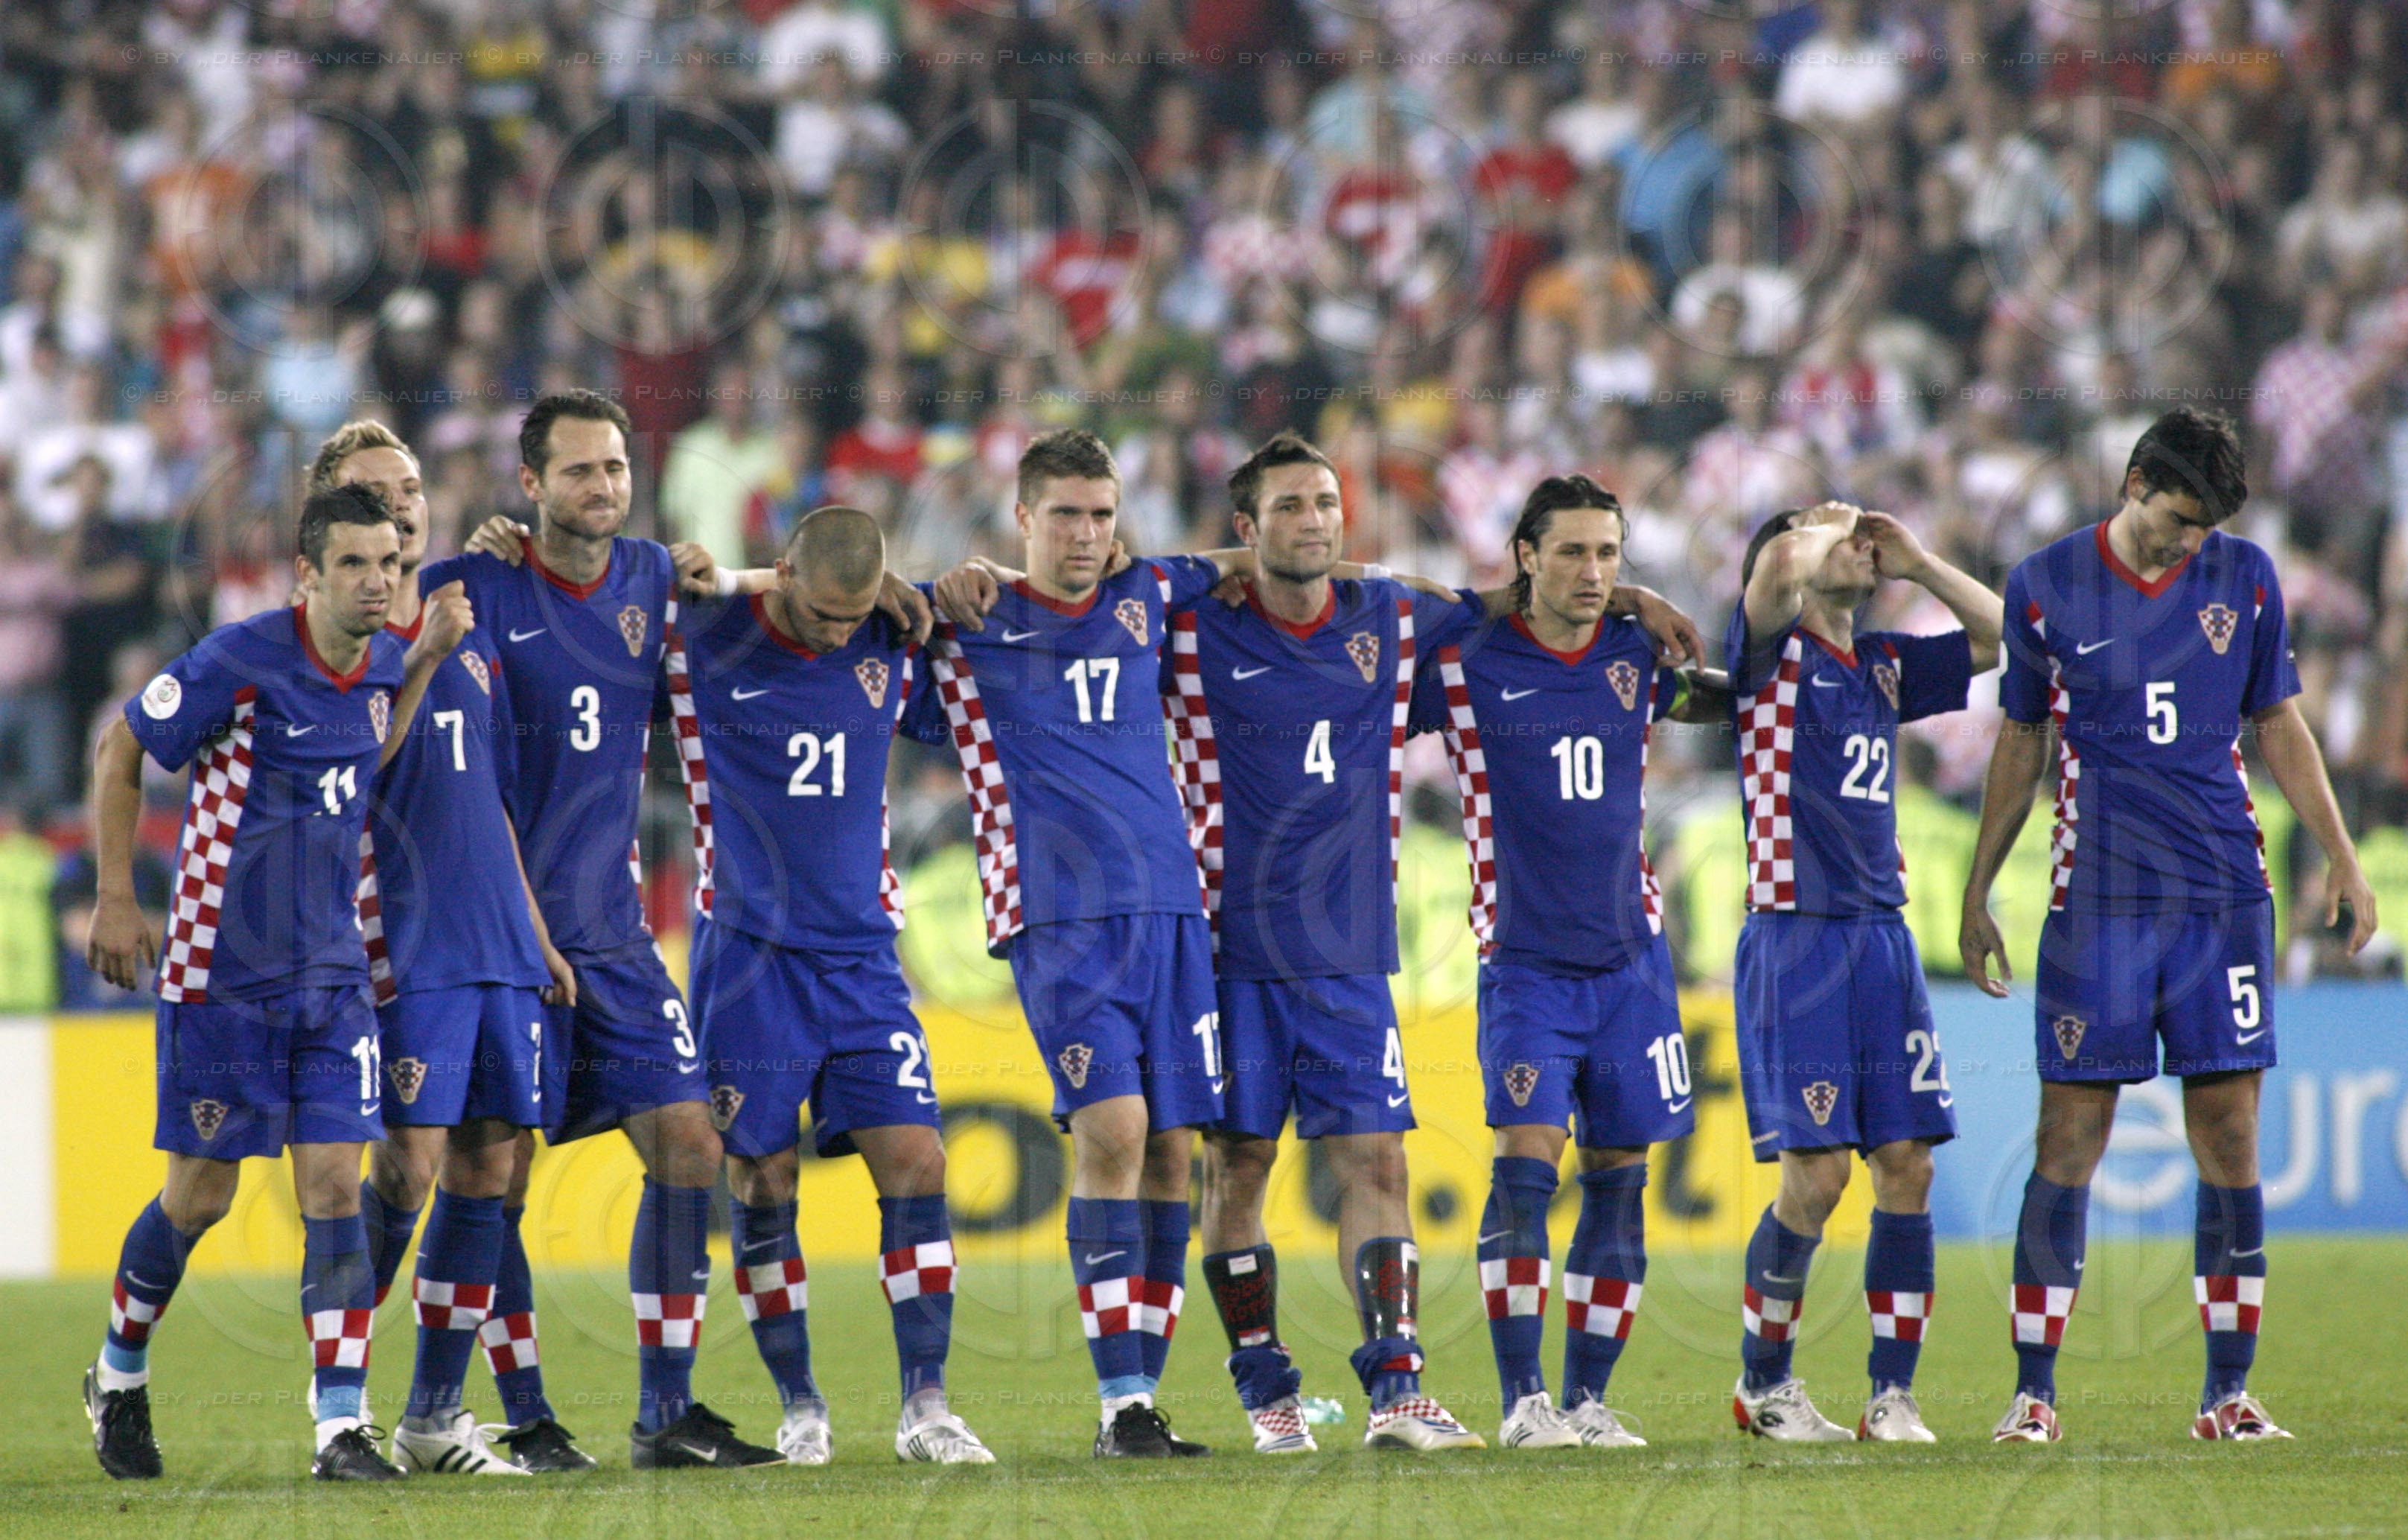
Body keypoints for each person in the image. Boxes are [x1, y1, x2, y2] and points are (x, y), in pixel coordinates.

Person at [1168, 434, 1704, 1454]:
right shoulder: (1190, 627)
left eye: (1325, 501)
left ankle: (1397, 1389)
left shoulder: (1396, 621)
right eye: (1288, 506)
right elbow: (1090, 620)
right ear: (1245, 527)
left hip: (1351, 949)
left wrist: (1626, 597)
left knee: (1377, 1162)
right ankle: (1265, 1390)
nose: (1313, 519)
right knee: (1238, 1165)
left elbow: (1507, 602)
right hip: (1226, 945)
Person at [1960, 407, 2379, 1443]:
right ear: (2134, 479)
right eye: (2177, 519)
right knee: (2070, 1137)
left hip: (2218, 896)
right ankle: (2032, 1394)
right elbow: (2019, 738)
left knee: (2229, 1136)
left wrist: (2339, 851)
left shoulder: (2244, 576)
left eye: (2203, 527)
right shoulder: (2041, 584)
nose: (2189, 543)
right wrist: (1977, 891)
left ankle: (2227, 1394)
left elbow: (2274, 718)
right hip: (2096, 903)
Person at [83, 482, 466, 1480]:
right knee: (199, 1198)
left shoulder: (384, 655)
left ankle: (340, 1427)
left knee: (336, 1185)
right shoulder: (241, 658)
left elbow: (363, 750)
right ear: (307, 573)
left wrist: (421, 663)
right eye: (353, 564)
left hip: (332, 976)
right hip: (222, 973)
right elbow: (123, 743)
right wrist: (118, 895)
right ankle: (117, 1371)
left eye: (389, 563)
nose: (377, 581)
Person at [1407, 476, 1729, 1451]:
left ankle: (1587, 1403)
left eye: (1608, 556)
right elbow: (1377, 642)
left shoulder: (1638, 656)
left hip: (1630, 965)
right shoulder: (1464, 663)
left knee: (1621, 1177)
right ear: (1524, 557)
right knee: (1523, 1172)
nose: (1592, 574)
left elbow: (1724, 702)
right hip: (1525, 968)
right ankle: (1523, 1404)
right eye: (1572, 554)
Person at [667, 506, 993, 1465]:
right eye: (821, 613)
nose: (841, 631)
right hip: (749, 954)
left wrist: (956, 582)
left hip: (860, 955)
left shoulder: (893, 632)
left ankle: (927, 1405)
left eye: (857, 615)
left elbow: (981, 607)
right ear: (779, 575)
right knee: (761, 1175)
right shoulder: (707, 635)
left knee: (919, 1162)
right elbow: (605, 597)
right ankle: (801, 1403)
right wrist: (679, 564)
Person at [312, 421, 585, 1474]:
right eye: (375, 498)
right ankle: (337, 1394)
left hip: (496, 940)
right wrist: (417, 660)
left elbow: (495, 802)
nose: (403, 508)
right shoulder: (343, 644)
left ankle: (432, 1418)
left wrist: (535, 930)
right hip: (407, 938)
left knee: (488, 1166)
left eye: (411, 489)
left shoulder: (463, 627)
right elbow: (350, 770)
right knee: (408, 1164)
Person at [1724, 501, 2002, 1442]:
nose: (1857, 541)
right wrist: (1818, 527)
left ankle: (1894, 1395)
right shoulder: (1765, 653)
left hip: (1881, 937)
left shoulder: (1881, 659)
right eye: (1834, 535)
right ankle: (1765, 1382)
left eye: (1858, 532)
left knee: (1907, 1166)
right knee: (1814, 1179)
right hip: (1797, 935)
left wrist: (1919, 560)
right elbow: (1768, 581)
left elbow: (1999, 637)